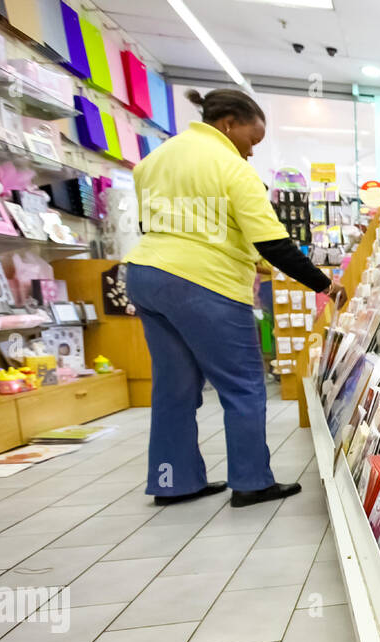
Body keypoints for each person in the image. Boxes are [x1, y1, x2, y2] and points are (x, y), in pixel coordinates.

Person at [125, 88, 344, 508]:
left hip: (146, 274)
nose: (251, 152)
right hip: (203, 283)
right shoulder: (231, 166)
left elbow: (172, 223)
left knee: (173, 387)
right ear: (228, 124)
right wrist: (324, 285)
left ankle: (173, 481)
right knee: (242, 385)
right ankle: (250, 481)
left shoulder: (154, 160)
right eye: (252, 140)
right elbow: (274, 242)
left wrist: (244, 258)